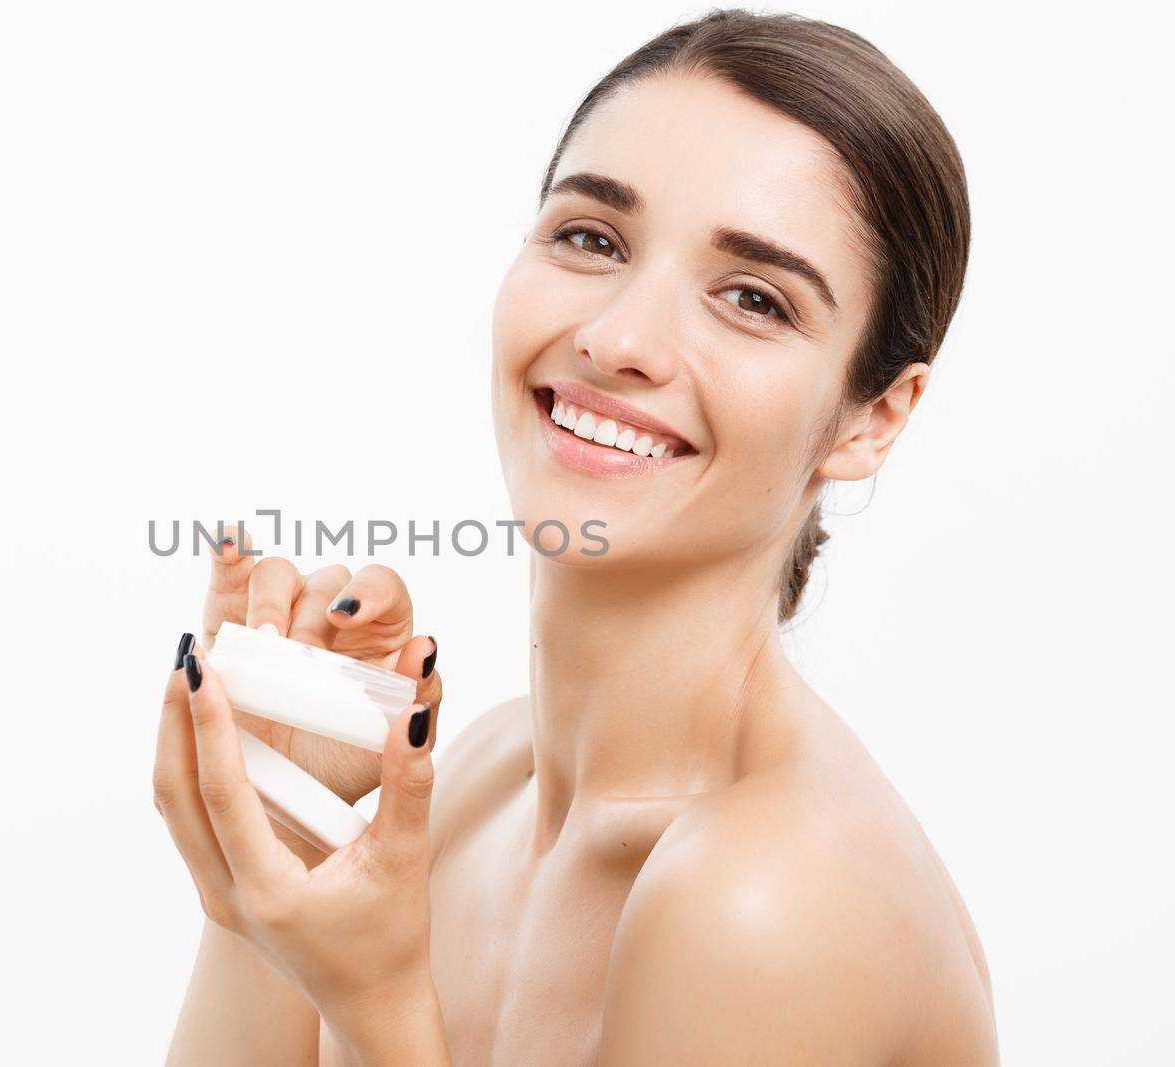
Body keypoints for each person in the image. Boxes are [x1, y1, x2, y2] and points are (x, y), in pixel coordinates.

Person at [153, 9, 997, 1063]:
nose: (617, 338)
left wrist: (373, 1006)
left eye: (751, 298)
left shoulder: (770, 897)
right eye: (591, 238)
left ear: (871, 416)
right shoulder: (478, 778)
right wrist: (268, 867)